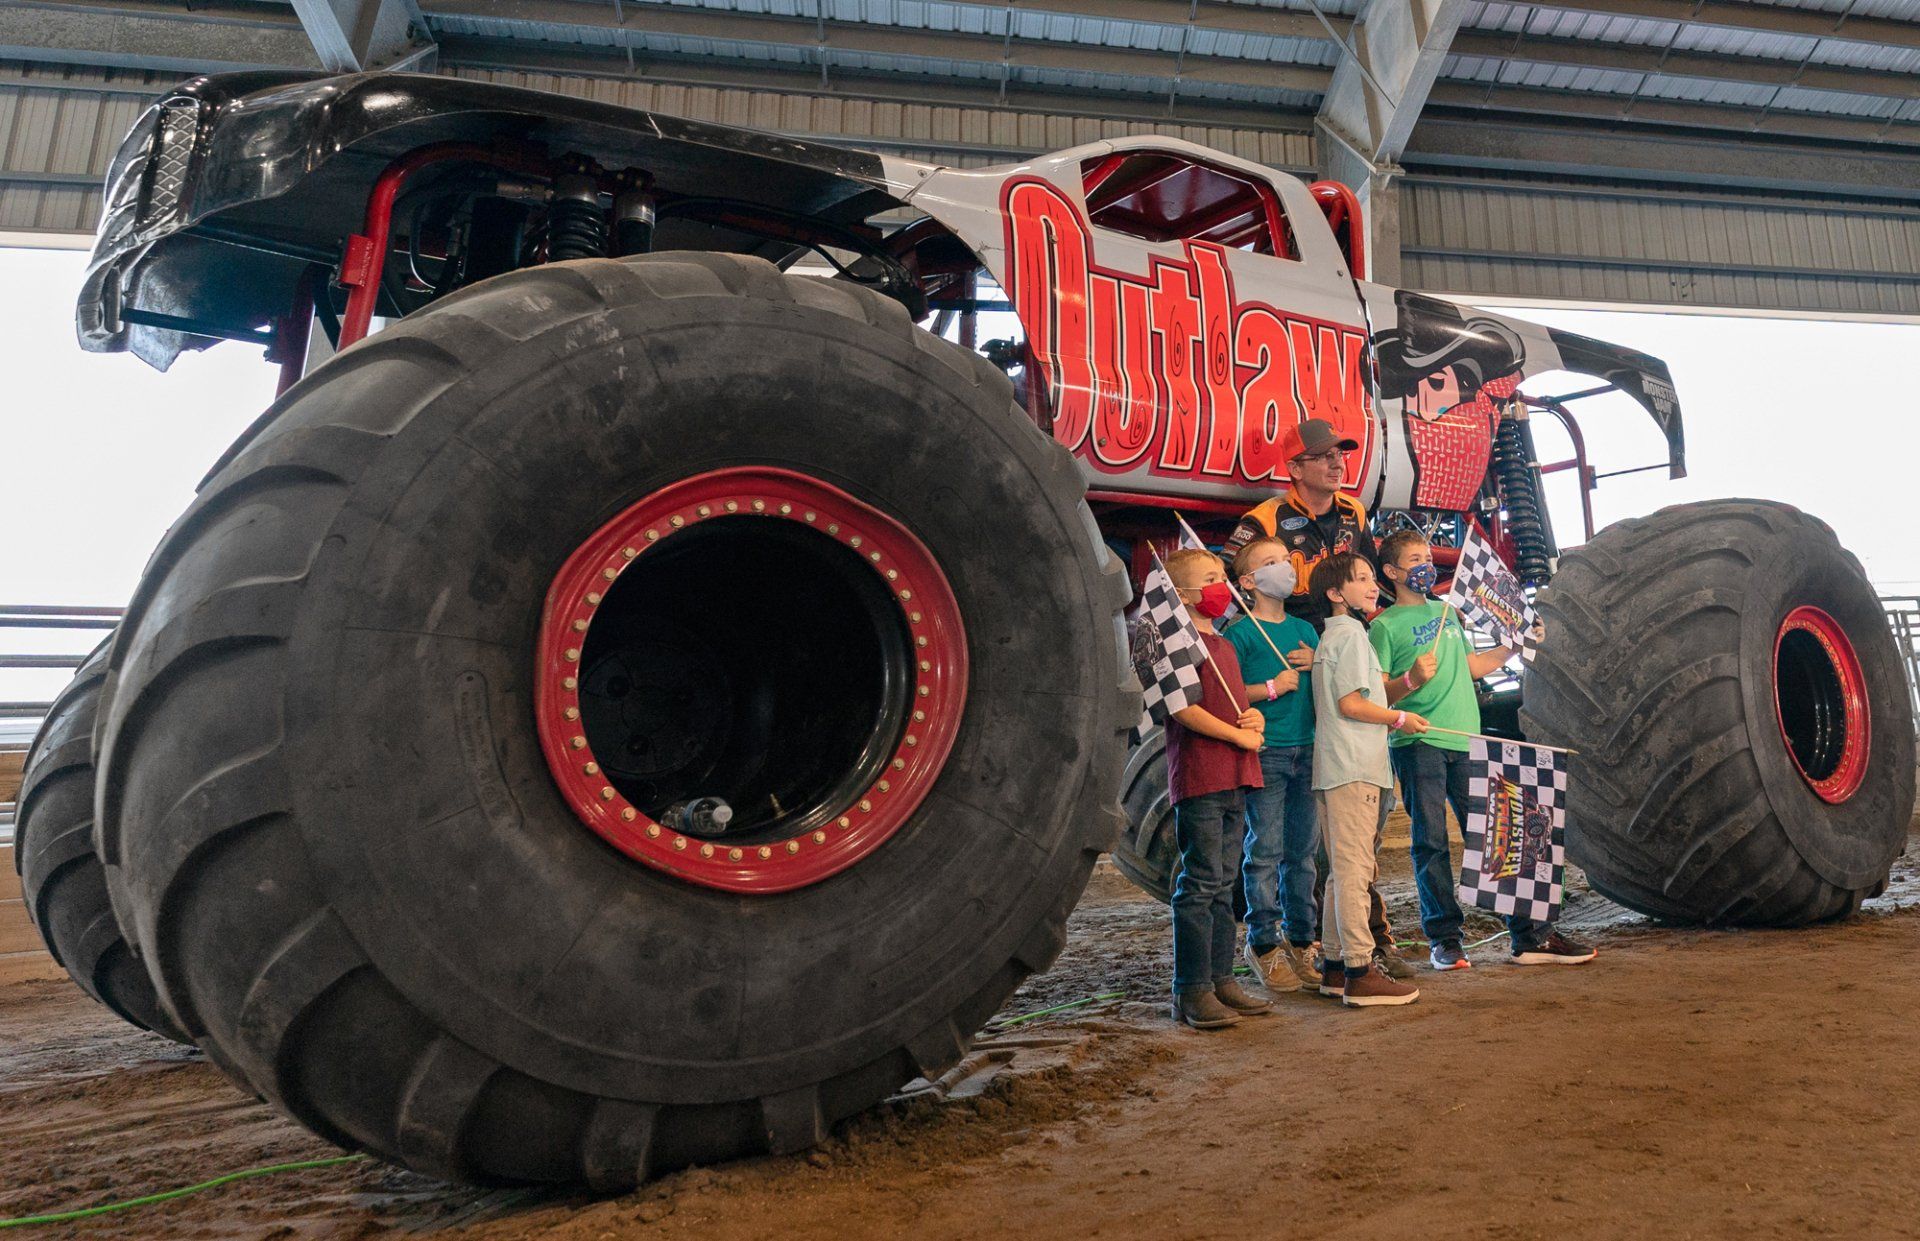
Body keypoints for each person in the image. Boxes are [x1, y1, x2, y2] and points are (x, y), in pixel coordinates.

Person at [1371, 530, 1597, 969]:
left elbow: (1470, 666)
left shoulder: (1447, 614)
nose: (1425, 564)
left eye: (1427, 555)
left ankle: (1530, 935)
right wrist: (1411, 680)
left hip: (1466, 740)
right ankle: (1444, 938)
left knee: (1500, 835)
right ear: (1392, 572)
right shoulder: (1382, 625)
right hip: (1419, 743)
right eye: (1414, 558)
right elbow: (1378, 693)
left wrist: (1514, 644)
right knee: (1430, 843)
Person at [1162, 548, 1277, 1029]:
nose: (1221, 586)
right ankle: (1191, 989)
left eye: (1221, 576)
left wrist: (1254, 718)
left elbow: (1235, 708)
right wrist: (1237, 734)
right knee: (1201, 882)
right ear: (1184, 596)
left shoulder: (1225, 646)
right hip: (1202, 776)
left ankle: (1220, 979)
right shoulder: (1179, 642)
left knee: (1223, 883)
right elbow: (1183, 709)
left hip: (1235, 775)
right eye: (1210, 579)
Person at [1307, 552, 1424, 1008]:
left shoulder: (1338, 637)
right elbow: (1351, 704)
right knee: (1355, 871)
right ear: (1336, 594)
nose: (1371, 585)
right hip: (1354, 766)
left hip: (1338, 768)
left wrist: (1405, 689)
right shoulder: (1352, 636)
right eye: (1360, 579)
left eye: (1372, 577)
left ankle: (1336, 967)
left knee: (1343, 871)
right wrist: (1400, 718)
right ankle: (1359, 968)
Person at [1226, 537, 1321, 993]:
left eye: (1285, 559)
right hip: (1267, 751)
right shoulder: (1239, 634)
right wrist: (1272, 685)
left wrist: (1318, 663)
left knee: (1303, 854)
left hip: (1309, 748)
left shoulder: (1306, 629)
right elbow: (1227, 694)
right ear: (1248, 581)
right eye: (1270, 563)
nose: (1283, 567)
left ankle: (1303, 940)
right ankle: (1263, 944)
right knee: (1263, 851)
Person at [1223, 418, 1379, 632]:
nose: (1338, 464)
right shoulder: (1264, 519)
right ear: (1295, 469)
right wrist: (1277, 630)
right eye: (1325, 457)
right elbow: (1225, 585)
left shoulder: (1355, 511)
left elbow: (1374, 575)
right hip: (1292, 648)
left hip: (1346, 638)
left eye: (1340, 455)